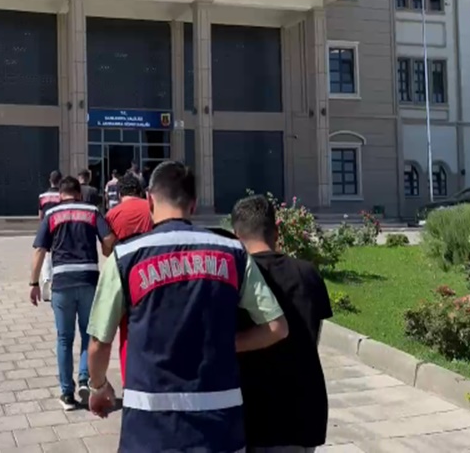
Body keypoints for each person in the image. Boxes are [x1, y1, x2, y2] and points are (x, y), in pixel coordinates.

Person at [86, 161, 289, 453]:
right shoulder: (233, 252)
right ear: (193, 205)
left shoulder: (125, 257)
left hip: (149, 430)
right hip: (220, 428)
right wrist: (226, 343)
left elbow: (98, 343)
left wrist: (98, 387)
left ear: (150, 200)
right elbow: (277, 328)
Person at [231, 195, 333, 453]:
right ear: (276, 231)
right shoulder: (308, 273)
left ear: (236, 236)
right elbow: (314, 335)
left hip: (256, 415)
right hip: (304, 412)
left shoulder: (237, 279)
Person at [29, 176, 116, 411]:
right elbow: (109, 238)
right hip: (88, 279)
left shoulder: (52, 213)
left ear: (60, 195)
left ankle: (67, 394)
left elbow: (39, 250)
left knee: (64, 339)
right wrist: (106, 251)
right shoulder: (91, 211)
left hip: (62, 282)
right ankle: (85, 380)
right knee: (88, 334)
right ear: (79, 193)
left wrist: (34, 283)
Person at [103, 173, 154, 385]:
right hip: (153, 271)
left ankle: (129, 381)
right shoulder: (151, 208)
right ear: (140, 191)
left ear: (119, 193)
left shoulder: (112, 214)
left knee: (127, 329)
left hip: (126, 275)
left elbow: (107, 249)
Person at [38, 170, 63, 301]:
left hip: (47, 228)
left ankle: (46, 279)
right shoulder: (62, 196)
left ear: (50, 180)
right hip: (59, 228)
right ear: (60, 181)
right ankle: (55, 282)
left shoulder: (42, 196)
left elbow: (40, 216)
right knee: (58, 255)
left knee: (46, 256)